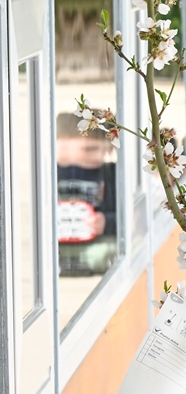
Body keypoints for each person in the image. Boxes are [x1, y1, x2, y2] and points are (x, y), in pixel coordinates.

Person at [56, 112, 118, 276]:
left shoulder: (111, 174)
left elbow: (131, 216)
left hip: (98, 251)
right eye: (89, 149)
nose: (99, 155)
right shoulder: (47, 174)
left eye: (105, 149)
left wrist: (106, 222)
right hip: (54, 253)